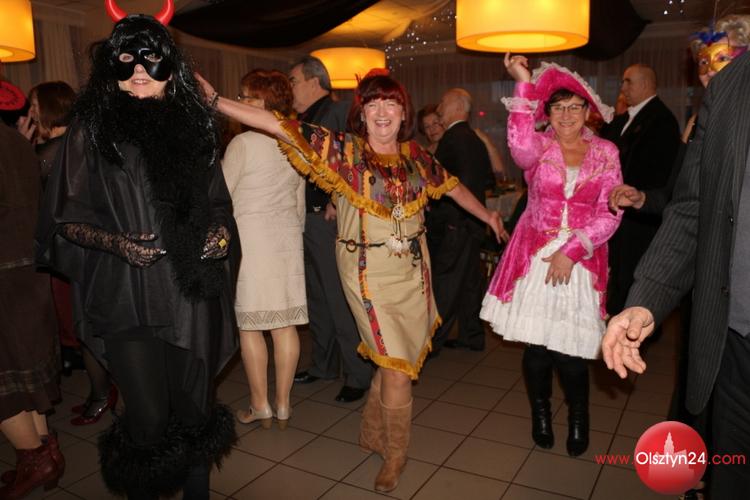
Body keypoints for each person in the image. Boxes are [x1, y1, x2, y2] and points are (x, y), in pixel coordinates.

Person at [198, 68, 506, 492]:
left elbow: (452, 188)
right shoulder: (343, 151)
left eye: (390, 104)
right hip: (367, 273)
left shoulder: (417, 157)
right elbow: (277, 124)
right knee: (396, 366)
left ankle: (372, 428)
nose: (382, 112)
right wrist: (216, 101)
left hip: (414, 273)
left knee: (397, 360)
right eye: (372, 104)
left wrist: (488, 215)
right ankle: (395, 454)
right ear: (362, 114)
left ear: (404, 113)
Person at [34, 4, 238, 499]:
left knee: (194, 412)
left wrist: (220, 234)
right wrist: (116, 243)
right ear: (112, 67)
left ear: (172, 68)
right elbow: (63, 220)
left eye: (151, 57)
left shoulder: (196, 130)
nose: (140, 69)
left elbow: (218, 205)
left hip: (190, 296)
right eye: (127, 58)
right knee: (147, 420)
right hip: (127, 297)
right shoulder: (91, 133)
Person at [602, 50, 750, 498]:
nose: (707, 70)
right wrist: (646, 299)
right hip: (733, 342)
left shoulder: (662, 122)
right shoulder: (730, 89)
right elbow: (693, 207)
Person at [481, 55, 622, 457]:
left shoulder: (607, 152)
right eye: (558, 107)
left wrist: (572, 250)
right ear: (548, 113)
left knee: (571, 352)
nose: (566, 115)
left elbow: (610, 213)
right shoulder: (538, 147)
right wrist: (522, 81)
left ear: (588, 111)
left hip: (580, 260)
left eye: (574, 107)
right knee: (537, 350)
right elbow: (518, 144)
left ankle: (579, 418)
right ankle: (540, 414)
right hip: (534, 258)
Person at [223, 69, 305, 429]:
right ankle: (284, 404)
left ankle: (260, 405)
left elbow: (222, 196)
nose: (240, 102)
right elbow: (299, 203)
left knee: (250, 326)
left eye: (245, 97)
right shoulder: (294, 141)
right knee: (285, 326)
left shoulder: (242, 144)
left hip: (251, 241)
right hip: (286, 241)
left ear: (263, 102)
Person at [288, 56, 371, 403]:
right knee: (317, 298)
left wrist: (339, 199)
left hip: (328, 219)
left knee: (338, 300)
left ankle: (358, 374)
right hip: (306, 218)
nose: (290, 88)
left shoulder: (337, 111)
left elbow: (357, 159)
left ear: (314, 81)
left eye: (293, 80)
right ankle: (323, 365)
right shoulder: (304, 118)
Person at [0, 121, 63, 500]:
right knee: (26, 372)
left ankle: (35, 458)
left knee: (6, 377)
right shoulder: (16, 139)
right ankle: (43, 451)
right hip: (28, 267)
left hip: (5, 275)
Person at [600, 63, 680, 315]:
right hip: (618, 213)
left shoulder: (662, 120)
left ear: (645, 84)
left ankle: (631, 330)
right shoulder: (623, 119)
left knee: (632, 279)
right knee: (615, 276)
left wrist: (633, 195)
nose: (622, 88)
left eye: (628, 81)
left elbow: (660, 174)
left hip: (641, 218)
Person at [428, 88, 495, 353]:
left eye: (443, 103)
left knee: (446, 282)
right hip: (471, 224)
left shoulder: (455, 138)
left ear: (457, 106)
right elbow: (487, 179)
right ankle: (471, 336)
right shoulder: (472, 138)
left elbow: (457, 184)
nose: (439, 108)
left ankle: (432, 342)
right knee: (469, 283)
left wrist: (446, 215)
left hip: (455, 223)